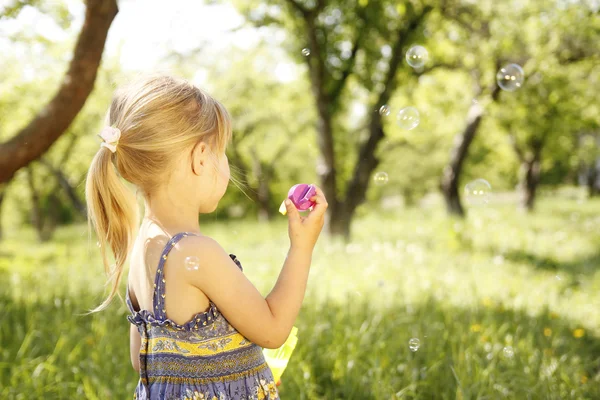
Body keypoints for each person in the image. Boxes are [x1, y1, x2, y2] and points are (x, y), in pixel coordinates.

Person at [85, 74, 328, 399]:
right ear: (201, 158)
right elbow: (273, 331)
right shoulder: (195, 252)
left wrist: (237, 370)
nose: (225, 163)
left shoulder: (144, 246)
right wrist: (302, 247)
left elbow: (141, 361)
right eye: (222, 152)